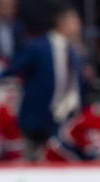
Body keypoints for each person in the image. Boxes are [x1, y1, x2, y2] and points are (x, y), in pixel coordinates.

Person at [14, 6, 83, 157]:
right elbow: (15, 69)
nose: (78, 26)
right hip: (38, 120)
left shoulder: (73, 50)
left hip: (65, 119)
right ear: (61, 22)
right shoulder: (39, 46)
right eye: (74, 21)